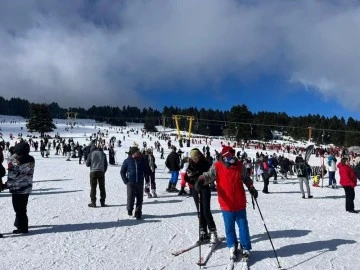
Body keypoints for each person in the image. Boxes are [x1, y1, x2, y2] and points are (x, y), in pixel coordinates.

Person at [198, 146, 258, 259]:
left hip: (239, 202)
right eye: (229, 157)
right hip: (226, 203)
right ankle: (232, 245)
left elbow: (246, 178)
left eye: (232, 156)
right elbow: (209, 175)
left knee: (243, 226)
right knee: (229, 227)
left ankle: (245, 247)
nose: (231, 158)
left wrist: (251, 187)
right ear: (224, 156)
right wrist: (202, 180)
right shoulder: (217, 166)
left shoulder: (239, 165)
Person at [184, 148, 217, 243]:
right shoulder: (190, 165)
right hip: (195, 189)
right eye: (193, 157)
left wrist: (201, 178)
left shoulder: (206, 163)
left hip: (204, 189)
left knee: (206, 210)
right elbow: (186, 177)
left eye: (196, 156)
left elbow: (211, 176)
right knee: (200, 211)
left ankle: (212, 230)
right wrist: (192, 180)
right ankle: (203, 231)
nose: (195, 159)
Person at [6, 142, 35, 234]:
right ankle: (19, 223)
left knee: (19, 209)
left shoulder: (15, 160)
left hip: (17, 188)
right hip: (27, 186)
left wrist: (6, 185)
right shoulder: (31, 158)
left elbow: (12, 175)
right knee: (23, 207)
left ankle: (22, 228)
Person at [120, 146, 148, 219]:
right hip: (131, 182)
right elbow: (122, 171)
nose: (138, 153)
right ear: (133, 153)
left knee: (140, 198)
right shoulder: (127, 161)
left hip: (140, 182)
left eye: (138, 152)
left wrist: (147, 180)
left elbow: (146, 171)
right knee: (130, 197)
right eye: (136, 152)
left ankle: (138, 212)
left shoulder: (142, 160)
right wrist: (126, 181)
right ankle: (129, 210)